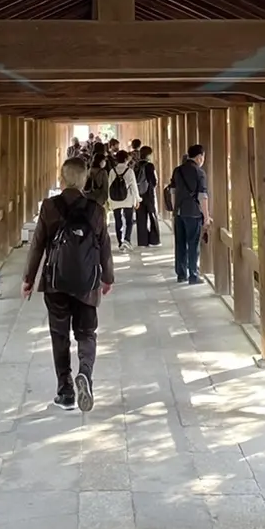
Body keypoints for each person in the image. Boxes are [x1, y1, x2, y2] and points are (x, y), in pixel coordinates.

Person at [23, 158, 114, 411]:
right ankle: (85, 372)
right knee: (87, 333)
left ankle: (65, 392)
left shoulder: (50, 207)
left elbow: (38, 244)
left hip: (56, 282)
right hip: (87, 283)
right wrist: (108, 278)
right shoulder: (96, 210)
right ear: (84, 179)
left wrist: (28, 279)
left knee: (59, 335)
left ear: (62, 178)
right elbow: (104, 247)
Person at [171, 144, 210, 284]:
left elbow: (173, 192)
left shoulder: (177, 170)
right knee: (193, 244)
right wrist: (206, 217)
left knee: (180, 243)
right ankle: (193, 274)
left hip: (179, 212)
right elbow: (202, 196)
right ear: (199, 157)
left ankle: (181, 274)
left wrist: (175, 210)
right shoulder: (199, 173)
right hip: (193, 213)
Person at [106, 149, 140, 249]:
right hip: (128, 199)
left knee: (118, 220)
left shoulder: (112, 171)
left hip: (115, 200)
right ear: (126, 159)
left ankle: (120, 242)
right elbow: (134, 186)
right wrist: (137, 199)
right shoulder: (129, 171)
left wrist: (109, 200)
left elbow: (109, 186)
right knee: (129, 221)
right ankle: (127, 240)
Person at [134, 145, 160, 248]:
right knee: (153, 216)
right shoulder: (150, 166)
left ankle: (142, 241)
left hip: (138, 195)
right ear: (148, 155)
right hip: (148, 194)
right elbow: (153, 181)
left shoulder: (136, 165)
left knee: (141, 218)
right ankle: (154, 240)